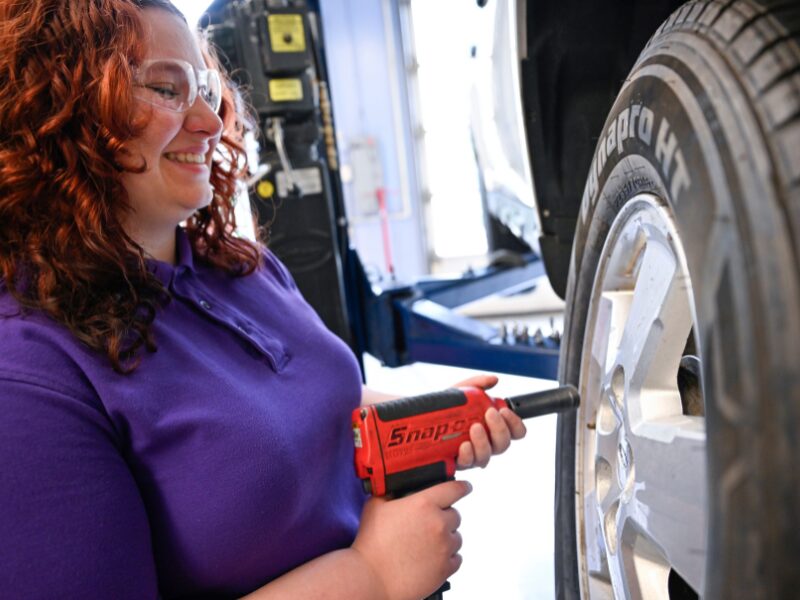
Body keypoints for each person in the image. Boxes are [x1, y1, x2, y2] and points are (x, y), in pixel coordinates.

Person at [0, 1, 526, 598]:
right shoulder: (27, 371)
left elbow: (313, 404)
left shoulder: (240, 269)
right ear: (60, 113)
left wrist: (428, 416)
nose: (207, 120)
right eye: (165, 89)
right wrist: (371, 575)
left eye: (204, 87)